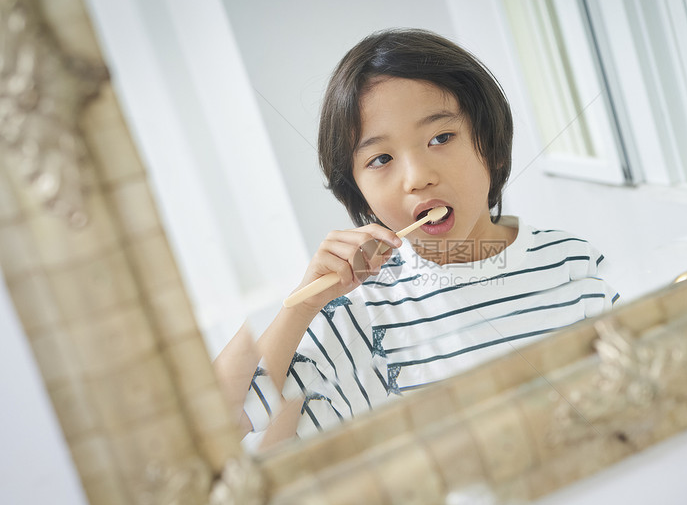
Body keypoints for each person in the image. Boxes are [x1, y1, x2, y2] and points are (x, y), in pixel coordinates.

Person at [215, 28, 619, 447]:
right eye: (381, 159)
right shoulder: (360, 313)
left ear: (492, 146)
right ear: (359, 194)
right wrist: (302, 305)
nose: (417, 177)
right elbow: (219, 424)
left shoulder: (570, 260)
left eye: (441, 138)